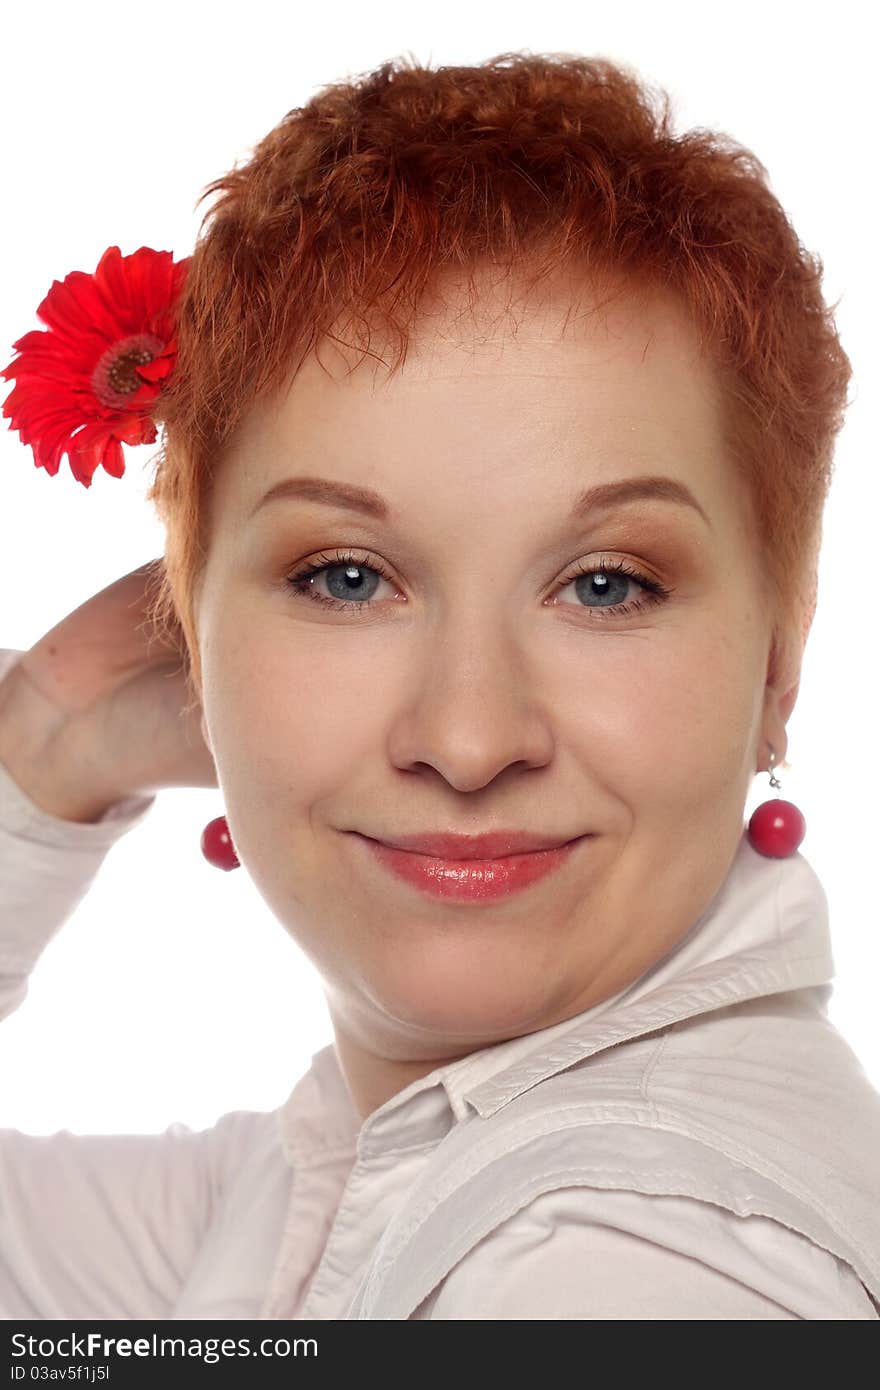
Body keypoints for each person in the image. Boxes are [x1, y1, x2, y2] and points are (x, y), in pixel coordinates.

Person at [1, 50, 878, 1320]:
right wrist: (49, 738)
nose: (469, 738)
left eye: (606, 584)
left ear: (776, 668)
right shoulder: (339, 1178)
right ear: (196, 641)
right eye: (347, 577)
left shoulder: (631, 1264)